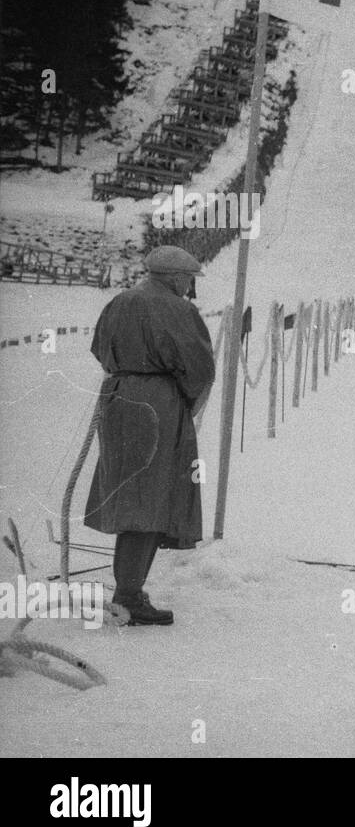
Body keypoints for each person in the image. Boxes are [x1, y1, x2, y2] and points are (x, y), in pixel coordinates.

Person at [84, 246, 216, 626]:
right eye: (189, 279)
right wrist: (179, 399)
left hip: (117, 400)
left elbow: (99, 348)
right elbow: (199, 369)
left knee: (131, 495)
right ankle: (128, 596)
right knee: (152, 499)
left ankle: (128, 589)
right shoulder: (179, 311)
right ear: (175, 278)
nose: (191, 287)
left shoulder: (120, 302)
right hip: (159, 405)